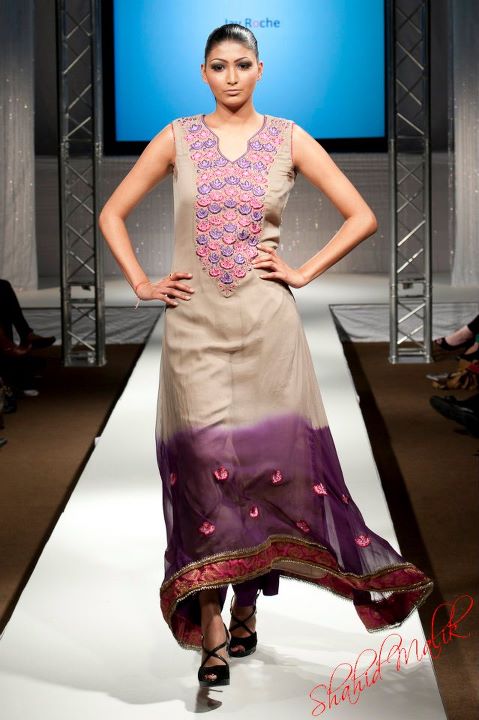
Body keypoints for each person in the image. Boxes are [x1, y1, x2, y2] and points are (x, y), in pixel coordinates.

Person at [99, 23, 433, 688]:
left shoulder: (288, 138)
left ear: (260, 69)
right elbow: (112, 212)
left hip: (267, 330)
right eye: (218, 65)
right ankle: (213, 630)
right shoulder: (176, 137)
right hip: (194, 326)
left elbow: (361, 215)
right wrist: (141, 282)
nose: (230, 76)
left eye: (242, 64)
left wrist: (302, 271)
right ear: (202, 73)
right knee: (204, 471)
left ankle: (246, 606)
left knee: (261, 474)